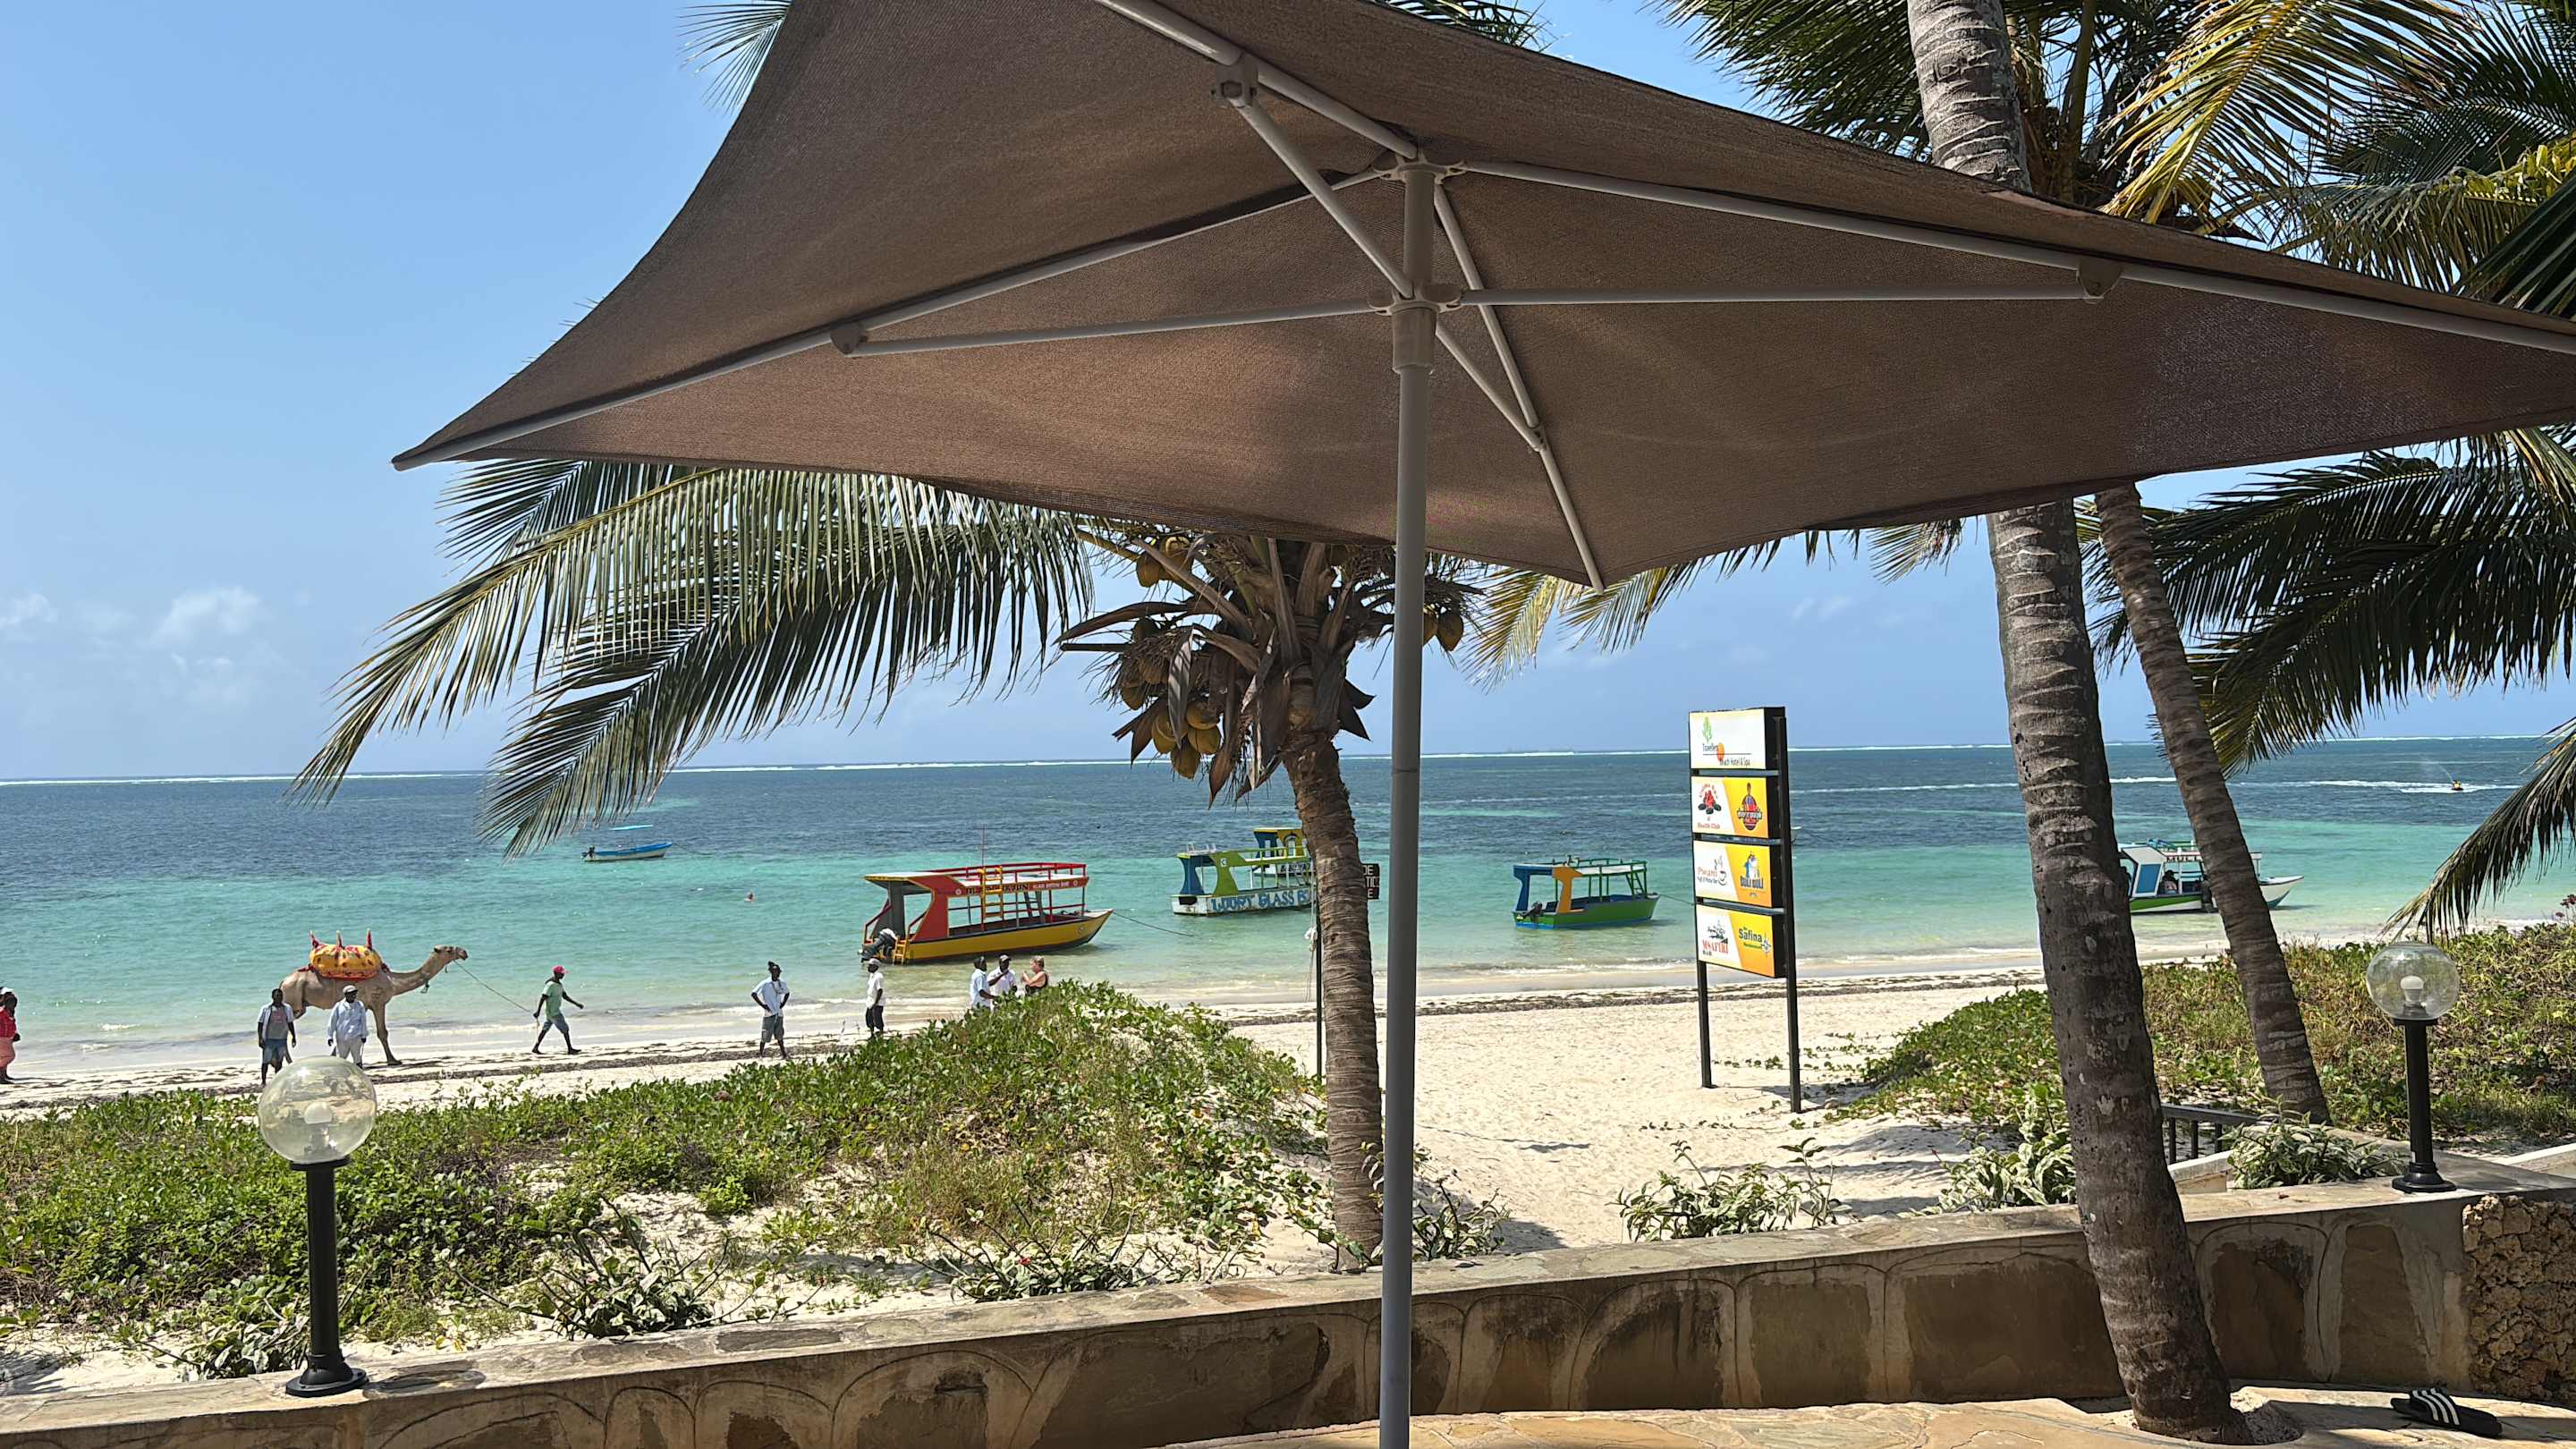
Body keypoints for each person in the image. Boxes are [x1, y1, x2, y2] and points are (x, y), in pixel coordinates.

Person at [531, 965, 583, 1055]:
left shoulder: (559, 985)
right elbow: (543, 997)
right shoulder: (550, 985)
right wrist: (538, 1011)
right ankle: (570, 1049)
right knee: (565, 1029)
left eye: (563, 973)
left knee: (545, 1029)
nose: (563, 975)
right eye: (561, 973)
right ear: (556, 973)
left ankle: (535, 1048)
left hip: (551, 1012)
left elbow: (564, 996)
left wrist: (576, 1004)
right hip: (554, 1012)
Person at [255, 987, 297, 1086]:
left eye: (280, 996)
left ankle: (276, 1080)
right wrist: (260, 1038)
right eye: (277, 996)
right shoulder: (266, 1009)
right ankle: (263, 1081)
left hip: (282, 1039)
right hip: (269, 1039)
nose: (279, 998)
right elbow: (260, 1024)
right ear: (272, 997)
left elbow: (290, 1023)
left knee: (279, 1060)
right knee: (266, 1060)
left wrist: (294, 1036)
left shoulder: (287, 1008)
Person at [751, 961, 791, 1059]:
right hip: (769, 1013)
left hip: (779, 1012)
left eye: (778, 971)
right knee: (765, 1034)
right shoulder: (765, 983)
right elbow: (754, 994)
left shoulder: (782, 983)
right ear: (771, 972)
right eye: (775, 971)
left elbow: (787, 993)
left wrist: (783, 1003)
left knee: (780, 1035)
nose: (777, 973)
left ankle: (784, 1054)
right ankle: (761, 1054)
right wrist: (764, 1006)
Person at [326, 985, 370, 1066]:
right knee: (341, 1059)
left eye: (355, 993)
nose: (353, 995)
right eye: (351, 993)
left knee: (357, 1058)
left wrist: (364, 1035)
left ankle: (358, 1072)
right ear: (346, 995)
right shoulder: (339, 1006)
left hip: (356, 1036)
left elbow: (363, 1021)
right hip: (342, 1038)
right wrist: (330, 1036)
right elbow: (332, 1021)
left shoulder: (360, 1005)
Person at [863, 957, 888, 1039]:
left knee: (877, 1019)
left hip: (877, 1002)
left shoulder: (878, 977)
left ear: (875, 967)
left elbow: (880, 990)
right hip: (870, 1001)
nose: (868, 967)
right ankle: (872, 1034)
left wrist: (876, 1002)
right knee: (869, 1017)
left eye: (870, 966)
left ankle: (881, 1034)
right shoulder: (872, 976)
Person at [0, 988, 19, 1084]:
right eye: (11, 1002)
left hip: (8, 1037)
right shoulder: (1, 1012)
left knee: (3, 1056)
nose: (13, 1004)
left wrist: (15, 1033)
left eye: (14, 1002)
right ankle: (1, 1076)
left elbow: (12, 1024)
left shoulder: (10, 1012)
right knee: (9, 1056)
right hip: (2, 1037)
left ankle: (3, 1075)